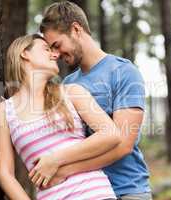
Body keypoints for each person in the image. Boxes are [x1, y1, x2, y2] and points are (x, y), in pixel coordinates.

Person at [33, 1, 152, 200]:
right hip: (84, 192)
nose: (55, 54)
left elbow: (123, 145)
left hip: (126, 190)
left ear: (76, 29)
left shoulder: (123, 72)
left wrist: (62, 168)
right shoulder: (69, 83)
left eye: (57, 45)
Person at [0, 34, 122, 200]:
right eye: (46, 49)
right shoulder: (4, 110)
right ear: (24, 53)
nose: (55, 54)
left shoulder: (72, 92)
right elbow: (5, 174)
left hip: (95, 194)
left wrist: (55, 159)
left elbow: (111, 134)